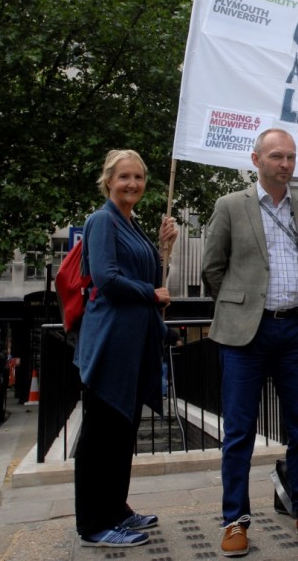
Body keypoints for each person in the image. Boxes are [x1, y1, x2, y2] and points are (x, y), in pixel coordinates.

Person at [202, 128, 298, 557]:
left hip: (294, 332)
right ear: (256, 159)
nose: (285, 164)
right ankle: (235, 520)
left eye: (291, 157)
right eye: (277, 156)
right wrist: (242, 306)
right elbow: (212, 268)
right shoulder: (230, 206)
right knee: (240, 430)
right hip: (247, 333)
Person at [73, 149, 178, 548]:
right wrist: (151, 293)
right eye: (124, 177)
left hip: (133, 346)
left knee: (122, 434)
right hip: (110, 345)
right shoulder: (101, 221)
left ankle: (116, 508)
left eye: (138, 177)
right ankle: (93, 524)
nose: (131, 184)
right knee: (101, 437)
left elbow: (150, 280)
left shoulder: (130, 224)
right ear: (108, 181)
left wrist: (163, 246)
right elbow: (107, 278)